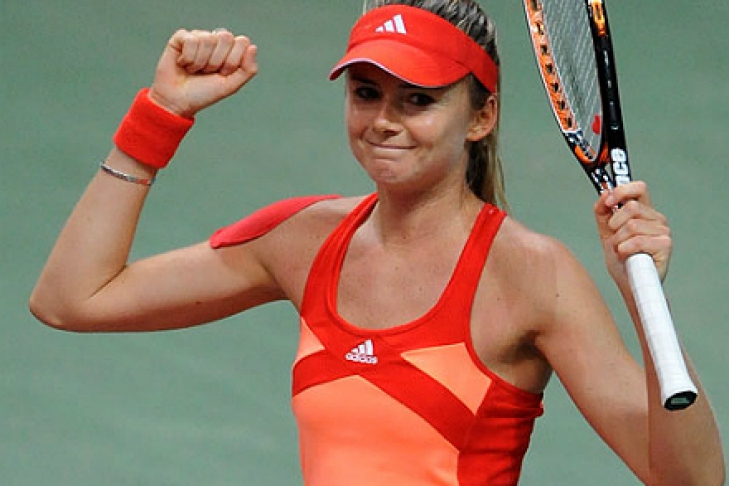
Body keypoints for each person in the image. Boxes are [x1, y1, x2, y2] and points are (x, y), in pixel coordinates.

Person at [30, 0, 724, 484]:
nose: (384, 120)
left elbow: (689, 479)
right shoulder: (302, 240)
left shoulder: (530, 275)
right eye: (366, 93)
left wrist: (644, 301)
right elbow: (72, 298)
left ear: (480, 117)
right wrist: (160, 114)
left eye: (418, 99)